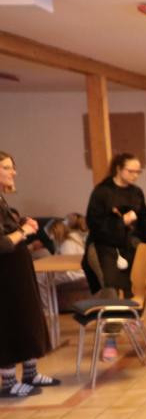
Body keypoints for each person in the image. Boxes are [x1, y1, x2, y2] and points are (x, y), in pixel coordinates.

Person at [83, 152, 146, 361]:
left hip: (128, 246)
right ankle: (111, 338)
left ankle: (130, 316)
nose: (135, 175)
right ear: (118, 169)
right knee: (111, 286)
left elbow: (145, 219)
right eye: (131, 171)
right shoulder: (102, 192)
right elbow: (94, 225)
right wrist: (121, 222)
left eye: (138, 172)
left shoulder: (136, 192)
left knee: (140, 282)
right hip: (103, 246)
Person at [0, 151, 60, 398]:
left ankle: (30, 373)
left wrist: (21, 224)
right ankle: (8, 383)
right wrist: (23, 231)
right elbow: (2, 244)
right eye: (6, 167)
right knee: (9, 324)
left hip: (17, 275)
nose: (13, 172)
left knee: (28, 320)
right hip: (5, 279)